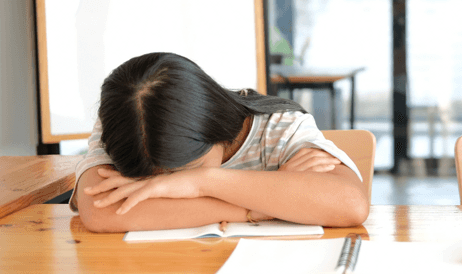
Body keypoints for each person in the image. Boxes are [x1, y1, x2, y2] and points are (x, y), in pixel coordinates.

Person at [71, 52, 369, 232]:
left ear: (215, 123)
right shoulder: (127, 122)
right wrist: (260, 208)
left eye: (189, 168)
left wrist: (205, 182)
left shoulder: (278, 127)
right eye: (152, 179)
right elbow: (100, 213)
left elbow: (350, 205)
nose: (170, 184)